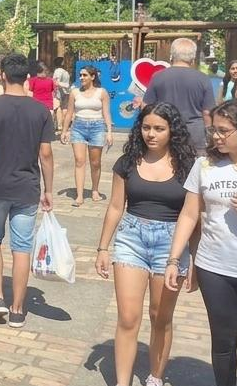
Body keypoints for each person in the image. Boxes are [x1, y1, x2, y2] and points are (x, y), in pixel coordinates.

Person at [165, 99, 237, 386]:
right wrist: (174, 259)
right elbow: (189, 214)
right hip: (213, 268)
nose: (216, 136)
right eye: (213, 129)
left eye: (223, 131)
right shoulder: (205, 164)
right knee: (223, 344)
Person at [95, 103, 197, 386]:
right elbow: (116, 207)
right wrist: (103, 248)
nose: (151, 134)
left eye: (159, 128)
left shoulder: (189, 166)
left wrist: (195, 260)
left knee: (159, 317)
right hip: (132, 239)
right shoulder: (127, 162)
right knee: (128, 317)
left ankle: (155, 377)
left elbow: (194, 218)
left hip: (172, 245)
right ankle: (122, 382)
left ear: (172, 130)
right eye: (146, 127)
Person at [0, 53, 54, 329]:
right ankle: (18, 308)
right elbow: (46, 154)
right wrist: (49, 189)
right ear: (27, 77)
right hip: (27, 188)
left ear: (3, 76)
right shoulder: (41, 111)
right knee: (22, 247)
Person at [142, 38, 216, 148]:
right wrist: (210, 136)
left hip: (166, 130)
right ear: (193, 58)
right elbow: (207, 112)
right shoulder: (203, 79)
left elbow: (146, 106)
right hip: (194, 132)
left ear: (172, 56)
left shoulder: (158, 77)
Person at [61, 65, 114, 206]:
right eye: (80, 75)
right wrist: (64, 130)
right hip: (78, 127)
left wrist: (109, 132)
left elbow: (106, 113)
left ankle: (95, 189)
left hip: (97, 127)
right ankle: (79, 195)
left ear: (92, 77)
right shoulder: (74, 92)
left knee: (95, 162)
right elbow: (69, 113)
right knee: (79, 161)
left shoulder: (102, 92)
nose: (81, 78)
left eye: (84, 75)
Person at [29, 61, 57, 130]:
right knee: (47, 126)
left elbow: (30, 91)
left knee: (37, 126)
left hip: (36, 105)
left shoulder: (33, 80)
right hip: (48, 105)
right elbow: (54, 92)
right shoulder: (51, 80)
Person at [52, 56, 72, 132]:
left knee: (58, 108)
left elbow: (55, 82)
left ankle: (59, 126)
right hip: (66, 91)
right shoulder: (65, 72)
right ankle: (64, 126)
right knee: (64, 109)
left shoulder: (57, 71)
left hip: (59, 92)